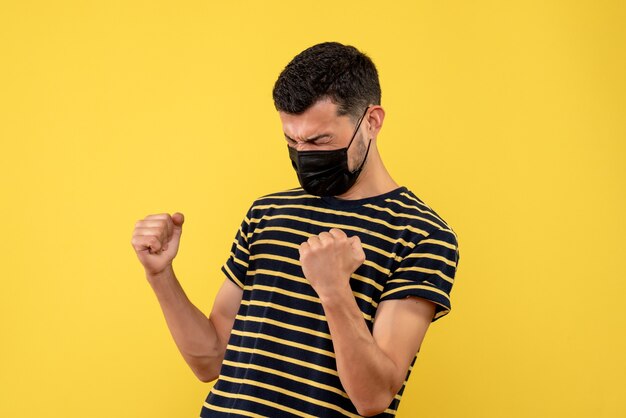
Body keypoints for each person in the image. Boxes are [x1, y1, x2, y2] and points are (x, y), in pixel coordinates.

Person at [131, 42, 460, 418]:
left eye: (319, 140)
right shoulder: (267, 212)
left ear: (372, 121)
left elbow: (373, 397)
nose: (304, 154)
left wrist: (335, 289)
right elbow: (211, 360)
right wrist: (160, 275)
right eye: (292, 140)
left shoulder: (422, 234)